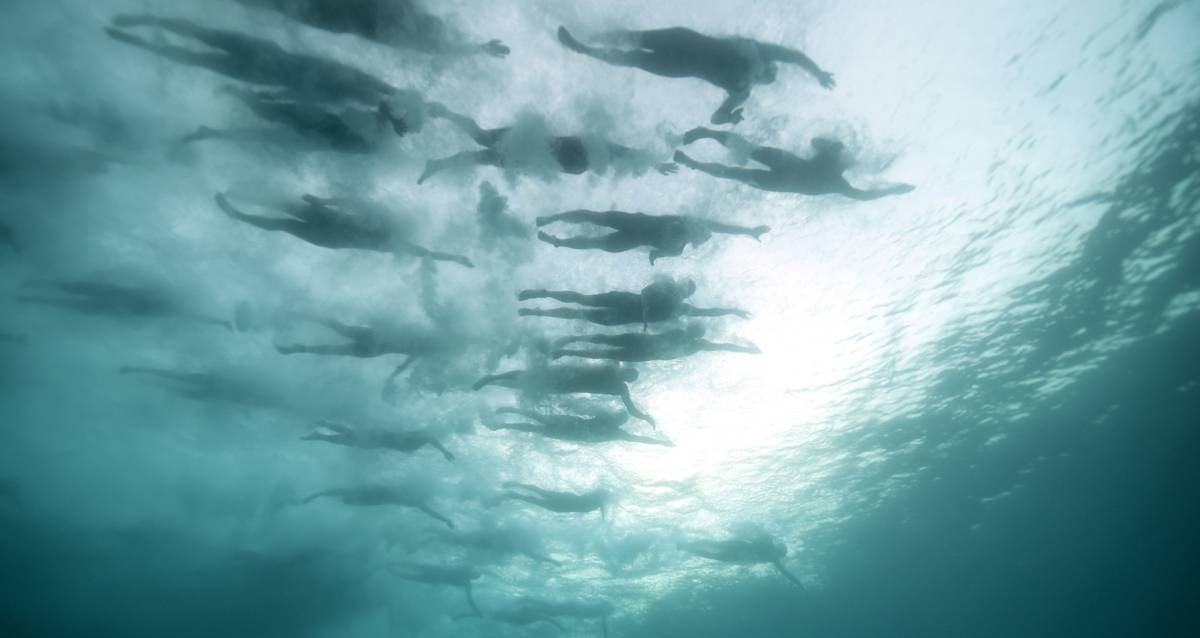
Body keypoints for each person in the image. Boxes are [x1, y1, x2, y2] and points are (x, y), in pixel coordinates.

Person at [557, 25, 834, 125]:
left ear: (762, 82)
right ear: (769, 67)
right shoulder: (759, 52)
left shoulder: (742, 91)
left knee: (634, 55)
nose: (766, 75)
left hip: (679, 64)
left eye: (766, 78)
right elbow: (795, 57)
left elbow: (716, 118)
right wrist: (818, 72)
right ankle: (587, 37)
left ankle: (584, 48)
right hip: (684, 41)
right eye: (770, 71)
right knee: (634, 39)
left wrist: (729, 119)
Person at [105, 14, 397, 105]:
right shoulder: (343, 89)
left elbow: (297, 93)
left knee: (200, 47)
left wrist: (265, 96)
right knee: (201, 47)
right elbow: (296, 93)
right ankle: (145, 29)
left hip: (262, 63)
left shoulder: (340, 91)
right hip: (263, 63)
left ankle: (144, 32)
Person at [417, 103, 676, 184]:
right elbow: (623, 151)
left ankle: (437, 164)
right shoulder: (594, 147)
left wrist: (649, 164)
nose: (611, 165)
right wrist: (653, 162)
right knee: (482, 138)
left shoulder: (587, 165)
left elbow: (623, 157)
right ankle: (444, 112)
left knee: (481, 157)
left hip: (526, 160)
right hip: (528, 140)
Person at [215, 193, 473, 267]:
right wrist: (323, 201)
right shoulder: (385, 216)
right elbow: (354, 202)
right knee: (285, 205)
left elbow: (426, 253)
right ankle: (242, 194)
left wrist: (456, 258)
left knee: (284, 224)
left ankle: (237, 214)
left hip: (328, 236)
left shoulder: (394, 242)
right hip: (328, 220)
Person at [675, 127, 915, 200]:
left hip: (782, 180)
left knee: (734, 173)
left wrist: (893, 190)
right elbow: (814, 140)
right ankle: (707, 133)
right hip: (787, 167)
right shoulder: (831, 157)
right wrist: (831, 145)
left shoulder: (838, 181)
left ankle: (694, 163)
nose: (845, 157)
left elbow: (863, 196)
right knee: (746, 149)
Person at [235, 0, 510, 58]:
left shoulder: (407, 31)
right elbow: (439, 46)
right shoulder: (407, 16)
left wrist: (478, 48)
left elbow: (439, 47)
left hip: (332, 16)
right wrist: (478, 48)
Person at [182, 87, 410, 153]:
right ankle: (236, 93)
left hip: (310, 140)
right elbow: (383, 105)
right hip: (315, 121)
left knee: (261, 136)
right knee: (265, 112)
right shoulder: (382, 124)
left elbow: (342, 142)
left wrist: (391, 121)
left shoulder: (377, 146)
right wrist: (393, 119)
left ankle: (211, 133)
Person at [535, 210, 767, 264]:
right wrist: (748, 231)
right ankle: (553, 222)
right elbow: (722, 227)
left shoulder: (677, 246)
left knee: (594, 238)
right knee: (593, 220)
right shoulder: (681, 227)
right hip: (631, 226)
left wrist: (655, 257)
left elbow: (656, 254)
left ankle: (557, 240)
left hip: (630, 233)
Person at [519, 278, 750, 329]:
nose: (681, 290)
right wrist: (647, 310)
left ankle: (536, 312)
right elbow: (645, 290)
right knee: (583, 299)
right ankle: (543, 293)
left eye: (685, 290)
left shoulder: (682, 308)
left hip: (622, 317)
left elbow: (708, 312)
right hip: (624, 300)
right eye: (683, 285)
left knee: (580, 314)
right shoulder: (667, 284)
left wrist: (732, 310)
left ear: (686, 294)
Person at [472, 363, 654, 426]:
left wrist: (646, 417)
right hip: (566, 373)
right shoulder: (612, 367)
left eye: (629, 377)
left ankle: (494, 382)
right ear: (625, 370)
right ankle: (492, 378)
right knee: (531, 375)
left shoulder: (620, 388)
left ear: (629, 380)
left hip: (566, 386)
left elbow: (631, 410)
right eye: (628, 372)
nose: (626, 375)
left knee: (532, 384)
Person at [18, 279, 231, 329]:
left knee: (73, 295)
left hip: (118, 300)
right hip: (119, 302)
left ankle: (35, 290)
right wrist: (219, 322)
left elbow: (196, 316)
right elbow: (195, 317)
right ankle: (34, 293)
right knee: (73, 298)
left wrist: (219, 322)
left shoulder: (172, 299)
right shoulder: (174, 304)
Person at [552, 324, 760, 362]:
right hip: (643, 345)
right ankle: (573, 341)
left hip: (643, 352)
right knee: (606, 342)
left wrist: (746, 350)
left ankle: (568, 351)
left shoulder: (698, 344)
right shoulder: (683, 334)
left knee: (605, 351)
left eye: (694, 332)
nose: (690, 332)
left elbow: (724, 346)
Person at [486, 406, 673, 447]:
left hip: (571, 433)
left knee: (537, 427)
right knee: (539, 419)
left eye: (619, 418)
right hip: (571, 424)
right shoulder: (605, 418)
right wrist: (568, 404)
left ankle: (504, 424)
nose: (616, 418)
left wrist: (661, 442)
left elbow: (640, 439)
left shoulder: (619, 433)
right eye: (618, 416)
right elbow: (584, 407)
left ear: (620, 421)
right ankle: (509, 410)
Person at [678, 532, 804, 589]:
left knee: (715, 552)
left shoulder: (773, 555)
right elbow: (785, 573)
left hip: (739, 552)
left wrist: (797, 583)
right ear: (779, 550)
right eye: (780, 552)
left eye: (780, 554)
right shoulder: (771, 549)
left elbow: (786, 573)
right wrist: (797, 583)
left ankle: (686, 547)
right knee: (715, 548)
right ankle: (687, 546)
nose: (778, 555)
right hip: (739, 548)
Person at [117, 365, 278, 408]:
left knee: (178, 385)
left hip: (219, 390)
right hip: (219, 386)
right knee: (178, 383)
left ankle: (141, 375)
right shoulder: (270, 396)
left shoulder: (269, 397)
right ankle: (139, 372)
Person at [303, 484, 454, 528]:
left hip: (378, 498)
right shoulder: (413, 495)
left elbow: (430, 512)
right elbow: (430, 512)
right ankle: (317, 494)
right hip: (379, 491)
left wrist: (446, 520)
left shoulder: (417, 501)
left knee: (346, 498)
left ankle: (318, 494)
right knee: (349, 493)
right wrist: (446, 520)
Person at [406, 522, 559, 565]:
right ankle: (430, 533)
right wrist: (552, 561)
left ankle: (431, 532)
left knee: (457, 540)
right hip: (480, 540)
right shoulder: (516, 542)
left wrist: (552, 561)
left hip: (480, 540)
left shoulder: (517, 543)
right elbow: (534, 555)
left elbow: (534, 556)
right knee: (458, 540)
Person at [301, 420, 454, 461]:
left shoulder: (420, 440)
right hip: (378, 437)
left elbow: (431, 439)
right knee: (351, 436)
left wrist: (444, 451)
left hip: (378, 441)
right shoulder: (423, 436)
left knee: (350, 439)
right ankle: (321, 427)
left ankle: (319, 434)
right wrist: (444, 451)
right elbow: (431, 438)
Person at [387, 562, 482, 616]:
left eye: (474, 575)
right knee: (416, 568)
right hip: (437, 572)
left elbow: (469, 599)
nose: (472, 575)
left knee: (415, 576)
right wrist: (475, 609)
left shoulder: (467, 583)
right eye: (474, 574)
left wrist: (475, 609)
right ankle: (395, 564)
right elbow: (462, 561)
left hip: (436, 577)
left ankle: (395, 571)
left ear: (473, 578)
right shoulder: (465, 572)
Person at [499, 482, 611, 520]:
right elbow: (602, 508)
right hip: (563, 503)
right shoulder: (598, 502)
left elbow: (602, 511)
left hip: (563, 504)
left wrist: (604, 518)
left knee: (539, 496)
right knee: (539, 496)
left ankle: (516, 493)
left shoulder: (598, 503)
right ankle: (516, 491)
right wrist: (604, 519)